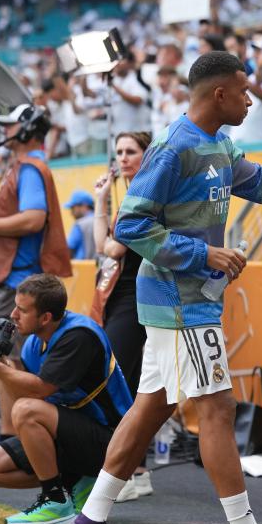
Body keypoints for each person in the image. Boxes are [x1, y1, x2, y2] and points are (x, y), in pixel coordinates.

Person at [69, 52, 262, 524]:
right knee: (218, 408)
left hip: (186, 301)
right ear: (219, 94)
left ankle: (90, 519)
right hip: (180, 304)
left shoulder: (220, 145)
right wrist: (206, 255)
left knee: (151, 408)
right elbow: (130, 224)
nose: (250, 100)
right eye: (243, 92)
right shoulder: (172, 147)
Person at [0, 274, 133, 524]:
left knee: (26, 411)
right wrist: (0, 361)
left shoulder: (79, 335)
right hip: (70, 436)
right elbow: (24, 395)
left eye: (22, 310)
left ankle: (54, 499)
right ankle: (76, 482)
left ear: (45, 317)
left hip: (112, 441)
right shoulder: (34, 344)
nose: (13, 315)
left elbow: (38, 392)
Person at [0, 104, 73, 455]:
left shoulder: (29, 168)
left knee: (7, 360)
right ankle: (13, 439)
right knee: (7, 359)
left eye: (10, 125)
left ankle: (15, 442)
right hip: (15, 279)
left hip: (15, 281)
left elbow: (33, 218)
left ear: (26, 129)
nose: (4, 131)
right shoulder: (26, 166)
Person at [90, 131, 154, 503]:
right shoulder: (132, 194)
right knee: (128, 384)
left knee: (119, 383)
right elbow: (102, 246)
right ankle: (134, 469)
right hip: (120, 296)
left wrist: (104, 209)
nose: (124, 157)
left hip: (137, 297)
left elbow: (111, 248)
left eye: (131, 151)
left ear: (147, 154)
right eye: (119, 152)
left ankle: (128, 472)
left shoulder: (147, 194)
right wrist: (101, 200)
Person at [64, 191, 96, 260]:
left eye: (73, 208)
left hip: (82, 265)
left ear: (84, 206)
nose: (71, 213)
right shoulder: (102, 221)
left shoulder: (79, 224)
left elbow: (67, 250)